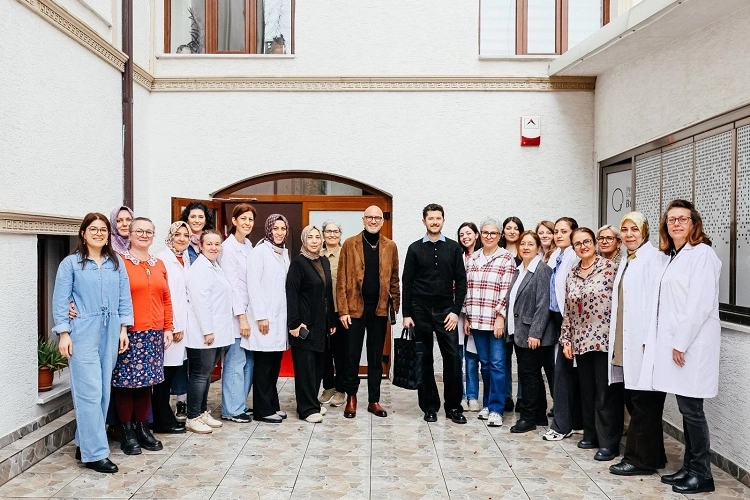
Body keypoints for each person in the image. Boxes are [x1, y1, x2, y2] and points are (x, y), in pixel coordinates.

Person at [640, 199, 721, 494]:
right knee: (687, 408)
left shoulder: (702, 254)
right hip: (677, 345)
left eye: (682, 219)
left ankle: (702, 473)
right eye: (671, 219)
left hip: (692, 345)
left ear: (693, 223)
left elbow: (699, 304)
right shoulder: (672, 256)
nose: (676, 223)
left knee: (692, 409)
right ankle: (689, 468)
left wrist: (681, 342)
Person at [52, 213, 133, 473]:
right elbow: (60, 299)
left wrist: (123, 329)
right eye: (93, 229)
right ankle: (95, 454)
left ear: (108, 235)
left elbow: (125, 297)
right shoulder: (70, 264)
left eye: (103, 230)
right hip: (83, 330)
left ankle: (84, 443)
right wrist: (64, 333)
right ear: (83, 233)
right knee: (89, 392)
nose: (99, 233)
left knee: (103, 391)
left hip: (111, 330)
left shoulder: (116, 262)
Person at [607, 212, 668, 476]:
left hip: (644, 342)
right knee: (634, 398)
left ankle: (639, 460)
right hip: (626, 340)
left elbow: (658, 304)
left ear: (645, 231)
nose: (629, 234)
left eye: (635, 229)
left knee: (644, 401)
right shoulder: (628, 260)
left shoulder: (655, 259)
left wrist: (649, 339)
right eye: (625, 229)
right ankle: (655, 455)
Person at [111, 218, 174, 455]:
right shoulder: (120, 262)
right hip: (129, 333)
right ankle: (126, 431)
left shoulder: (159, 264)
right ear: (129, 234)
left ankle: (143, 428)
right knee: (126, 384)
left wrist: (168, 327)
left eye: (149, 231)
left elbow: (166, 298)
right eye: (139, 231)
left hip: (154, 333)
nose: (144, 235)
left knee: (146, 384)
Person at [560, 227, 622, 462]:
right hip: (581, 340)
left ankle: (609, 443)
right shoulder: (573, 273)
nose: (583, 246)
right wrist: (566, 339)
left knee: (606, 393)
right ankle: (591, 434)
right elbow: (568, 310)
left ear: (594, 243)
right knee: (587, 390)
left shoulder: (610, 268)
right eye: (577, 244)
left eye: (586, 241)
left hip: (605, 340)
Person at [402, 203, 467, 424]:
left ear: (443, 220)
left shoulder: (454, 248)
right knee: (424, 358)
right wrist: (407, 314)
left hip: (446, 311)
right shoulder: (414, 249)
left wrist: (455, 312)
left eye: (438, 218)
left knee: (453, 358)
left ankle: (454, 407)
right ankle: (429, 406)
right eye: (431, 218)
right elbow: (407, 282)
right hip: (419, 311)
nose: (435, 222)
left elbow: (461, 282)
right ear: (424, 221)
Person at [337, 206, 400, 418]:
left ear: (382, 221)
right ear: (363, 219)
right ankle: (351, 398)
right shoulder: (350, 244)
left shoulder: (390, 246)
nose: (373, 221)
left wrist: (395, 307)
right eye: (370, 217)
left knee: (375, 357)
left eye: (377, 218)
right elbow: (341, 280)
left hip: (379, 309)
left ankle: (374, 400)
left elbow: (394, 278)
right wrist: (343, 310)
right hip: (354, 310)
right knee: (351, 356)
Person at [463, 217, 516, 427]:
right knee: (484, 364)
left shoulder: (506, 258)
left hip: (495, 321)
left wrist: (501, 318)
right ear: (480, 234)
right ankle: (487, 404)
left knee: (497, 365)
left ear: (500, 236)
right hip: (476, 319)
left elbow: (507, 291)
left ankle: (496, 409)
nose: (489, 236)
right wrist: (466, 317)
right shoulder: (473, 258)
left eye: (493, 233)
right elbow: (466, 289)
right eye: (485, 232)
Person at [506, 231, 555, 433]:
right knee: (531, 375)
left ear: (538, 248)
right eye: (523, 244)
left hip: (532, 335)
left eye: (530, 244)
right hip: (519, 332)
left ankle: (528, 418)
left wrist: (535, 333)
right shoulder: (519, 270)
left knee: (528, 376)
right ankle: (539, 415)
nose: (526, 247)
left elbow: (543, 304)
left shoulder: (542, 270)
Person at [184, 230, 233, 434]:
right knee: (199, 374)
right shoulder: (199, 270)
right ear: (201, 246)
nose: (214, 247)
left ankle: (202, 412)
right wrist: (208, 331)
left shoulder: (214, 266)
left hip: (216, 331)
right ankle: (192, 416)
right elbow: (201, 303)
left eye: (217, 244)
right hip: (203, 333)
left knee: (205, 374)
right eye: (209, 244)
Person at [286, 225, 337, 423]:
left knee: (317, 366)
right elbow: (291, 294)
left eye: (317, 237)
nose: (314, 241)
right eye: (310, 237)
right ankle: (306, 409)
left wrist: (331, 320)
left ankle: (312, 403)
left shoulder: (323, 261)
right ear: (304, 240)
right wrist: (294, 323)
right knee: (305, 368)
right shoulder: (298, 263)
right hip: (304, 325)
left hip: (321, 324)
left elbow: (327, 293)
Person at [246, 214, 290, 424]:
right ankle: (262, 410)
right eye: (276, 228)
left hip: (279, 318)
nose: (279, 232)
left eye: (283, 229)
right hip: (264, 320)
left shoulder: (283, 253)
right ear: (269, 230)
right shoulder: (259, 252)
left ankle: (272, 405)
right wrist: (261, 316)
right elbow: (253, 286)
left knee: (274, 365)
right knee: (264, 366)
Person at [542, 217, 583, 441]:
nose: (558, 235)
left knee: (564, 374)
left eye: (563, 231)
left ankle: (561, 425)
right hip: (556, 319)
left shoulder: (575, 256)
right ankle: (574, 421)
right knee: (566, 372)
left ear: (573, 233)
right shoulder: (556, 255)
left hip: (571, 322)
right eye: (556, 231)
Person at [174, 201, 215, 420]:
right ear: (186, 219)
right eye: (193, 217)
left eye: (201, 217)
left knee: (201, 363)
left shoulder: (209, 242)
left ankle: (199, 406)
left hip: (203, 309)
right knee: (184, 360)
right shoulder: (182, 243)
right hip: (186, 307)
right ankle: (182, 402)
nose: (197, 220)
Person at [218, 203, 256, 423]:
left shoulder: (248, 245)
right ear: (234, 221)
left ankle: (239, 403)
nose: (247, 223)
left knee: (248, 361)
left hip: (249, 313)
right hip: (236, 315)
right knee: (235, 360)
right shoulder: (228, 248)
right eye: (243, 219)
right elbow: (231, 286)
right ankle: (231, 409)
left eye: (250, 219)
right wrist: (241, 317)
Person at [152, 221, 191, 434]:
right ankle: (161, 419)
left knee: (173, 371)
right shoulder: (163, 259)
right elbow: (167, 296)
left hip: (183, 325)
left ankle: (162, 416)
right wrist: (174, 325)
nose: (182, 239)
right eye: (178, 235)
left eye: (186, 235)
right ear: (170, 237)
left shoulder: (184, 258)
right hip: (171, 327)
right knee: (164, 375)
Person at [319, 220, 347, 408]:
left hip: (339, 312)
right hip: (321, 313)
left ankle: (341, 389)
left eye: (335, 231)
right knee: (323, 352)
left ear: (340, 234)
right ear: (323, 234)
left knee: (340, 352)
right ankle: (328, 386)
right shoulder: (317, 255)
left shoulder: (345, 255)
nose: (332, 234)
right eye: (328, 231)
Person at [499, 216, 525, 412]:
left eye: (516, 228)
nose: (512, 231)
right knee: (503, 358)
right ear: (503, 232)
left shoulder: (526, 254)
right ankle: (506, 396)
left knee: (523, 359)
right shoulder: (499, 254)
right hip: (503, 314)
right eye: (508, 228)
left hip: (522, 314)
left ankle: (522, 397)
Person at [457, 222, 482, 412]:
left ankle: (473, 396)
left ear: (476, 235)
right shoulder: (458, 256)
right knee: (457, 355)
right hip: (458, 313)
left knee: (472, 356)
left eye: (468, 233)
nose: (465, 237)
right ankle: (461, 395)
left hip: (476, 312)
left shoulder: (482, 257)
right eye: (461, 234)